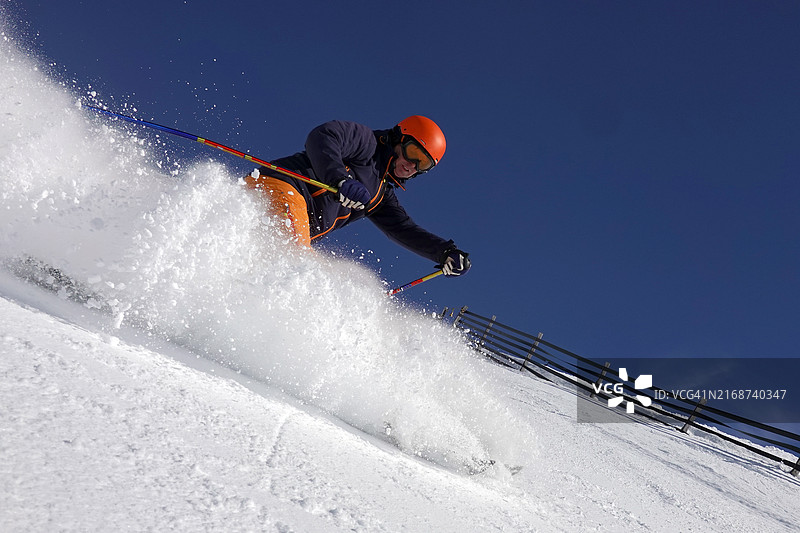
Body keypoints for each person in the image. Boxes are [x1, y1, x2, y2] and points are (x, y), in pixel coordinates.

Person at [243, 116, 471, 277]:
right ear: (398, 138)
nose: (412, 165)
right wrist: (339, 179)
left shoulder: (380, 196)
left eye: (423, 164)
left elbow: (403, 228)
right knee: (300, 265)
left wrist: (444, 252)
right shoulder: (367, 144)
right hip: (282, 186)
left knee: (316, 275)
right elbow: (323, 136)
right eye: (414, 153)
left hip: (298, 225)